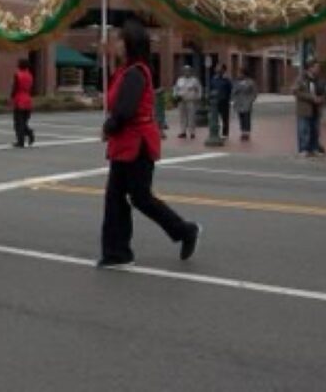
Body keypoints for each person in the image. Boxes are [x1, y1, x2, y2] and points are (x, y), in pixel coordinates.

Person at [98, 19, 201, 268]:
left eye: (121, 40)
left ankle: (184, 230)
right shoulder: (128, 70)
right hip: (126, 142)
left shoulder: (136, 72)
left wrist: (108, 128)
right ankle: (117, 252)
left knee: (139, 197)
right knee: (117, 198)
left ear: (131, 43)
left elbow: (125, 110)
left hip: (136, 143)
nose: (118, 44)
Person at [293, 60, 324, 157]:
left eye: (319, 67)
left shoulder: (318, 79)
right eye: (316, 67)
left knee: (315, 130)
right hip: (304, 109)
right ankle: (303, 149)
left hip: (316, 108)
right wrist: (311, 97)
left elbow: (323, 91)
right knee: (304, 130)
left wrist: (321, 98)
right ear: (310, 68)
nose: (318, 69)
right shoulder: (301, 78)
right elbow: (295, 91)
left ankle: (314, 148)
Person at [172, 65, 202, 140]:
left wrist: (198, 97)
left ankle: (192, 132)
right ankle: (183, 132)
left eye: (188, 70)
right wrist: (175, 95)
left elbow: (199, 89)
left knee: (191, 117)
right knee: (182, 117)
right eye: (185, 70)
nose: (186, 72)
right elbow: (175, 88)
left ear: (190, 72)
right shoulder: (180, 80)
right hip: (181, 100)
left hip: (191, 101)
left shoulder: (194, 80)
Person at [11, 58, 35, 147]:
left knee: (18, 122)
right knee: (24, 122)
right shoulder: (30, 75)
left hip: (19, 99)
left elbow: (15, 87)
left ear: (20, 65)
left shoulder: (18, 75)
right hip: (28, 99)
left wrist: (11, 97)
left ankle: (21, 141)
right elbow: (31, 87)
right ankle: (29, 133)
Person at [231, 70, 258, 141]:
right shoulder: (237, 82)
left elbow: (254, 92)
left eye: (240, 73)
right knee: (241, 118)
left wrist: (251, 100)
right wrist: (234, 99)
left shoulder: (251, 82)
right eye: (239, 74)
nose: (239, 75)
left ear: (244, 74)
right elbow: (233, 92)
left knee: (247, 118)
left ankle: (247, 133)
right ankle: (242, 132)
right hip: (239, 103)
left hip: (247, 102)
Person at [210, 64, 233, 139]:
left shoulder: (227, 79)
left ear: (223, 70)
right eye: (217, 68)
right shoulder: (214, 78)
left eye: (219, 68)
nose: (217, 70)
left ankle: (225, 133)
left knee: (225, 118)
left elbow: (230, 89)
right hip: (215, 101)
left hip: (224, 101)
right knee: (215, 117)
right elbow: (211, 88)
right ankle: (215, 132)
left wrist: (228, 98)